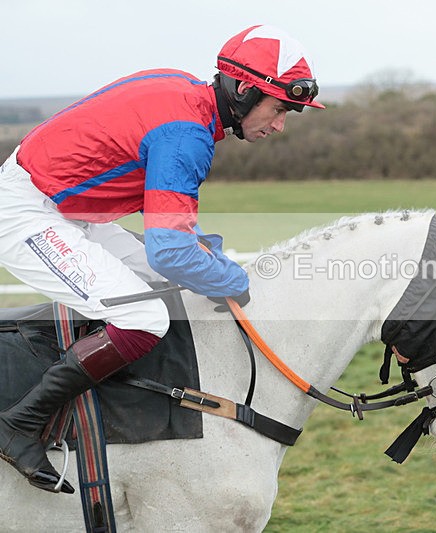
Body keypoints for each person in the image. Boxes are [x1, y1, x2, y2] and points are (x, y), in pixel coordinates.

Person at [0, 24, 324, 494]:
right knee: (144, 317)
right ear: (243, 90)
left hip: (65, 207)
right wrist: (232, 279)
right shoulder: (187, 134)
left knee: (173, 284)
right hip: (29, 213)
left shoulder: (185, 94)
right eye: (278, 109)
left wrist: (210, 263)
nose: (279, 126)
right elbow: (170, 251)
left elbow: (171, 230)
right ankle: (20, 422)